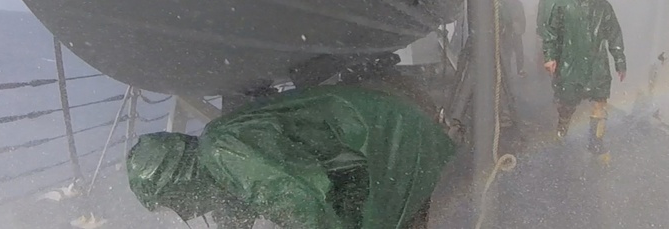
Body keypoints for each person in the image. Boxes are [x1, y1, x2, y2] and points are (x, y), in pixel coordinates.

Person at [126, 85, 458, 228]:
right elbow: (236, 215)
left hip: (393, 145)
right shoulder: (221, 166)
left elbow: (303, 203)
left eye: (173, 203)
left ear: (179, 179)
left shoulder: (222, 152)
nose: (186, 211)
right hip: (378, 145)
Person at [542, 0, 626, 158]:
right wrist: (550, 57)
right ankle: (562, 129)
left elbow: (614, 35)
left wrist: (620, 61)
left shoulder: (604, 7)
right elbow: (551, 33)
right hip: (571, 62)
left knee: (600, 102)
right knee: (567, 102)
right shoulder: (564, 4)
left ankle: (595, 143)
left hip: (598, 64)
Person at [536, 0, 572, 72]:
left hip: (550, 31)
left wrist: (540, 30)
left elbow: (541, 13)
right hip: (568, 32)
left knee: (553, 59)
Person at [502, 0, 527, 76]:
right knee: (518, 51)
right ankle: (519, 70)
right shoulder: (517, 3)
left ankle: (508, 71)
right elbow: (522, 17)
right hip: (515, 31)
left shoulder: (503, 4)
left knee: (508, 53)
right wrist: (522, 28)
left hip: (508, 32)